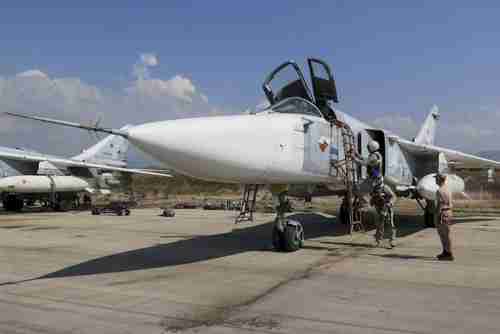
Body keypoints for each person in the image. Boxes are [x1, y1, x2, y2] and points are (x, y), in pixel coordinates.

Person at [435, 173, 454, 261]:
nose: (435, 180)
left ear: (440, 180)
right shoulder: (447, 189)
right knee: (445, 234)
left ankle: (449, 253)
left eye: (436, 178)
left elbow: (439, 204)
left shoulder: (440, 190)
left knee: (444, 235)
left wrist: (437, 216)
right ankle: (445, 252)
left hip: (443, 213)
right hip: (448, 212)